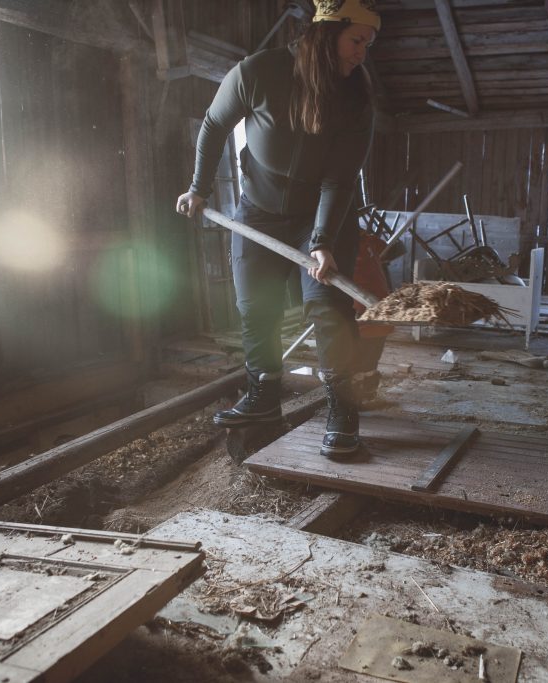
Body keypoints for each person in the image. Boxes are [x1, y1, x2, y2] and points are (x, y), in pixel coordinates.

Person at [176, 0, 380, 459]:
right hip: (259, 210)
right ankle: (264, 397)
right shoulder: (257, 72)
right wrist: (198, 188)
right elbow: (214, 124)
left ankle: (343, 412)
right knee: (255, 305)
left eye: (368, 43)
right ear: (329, 34)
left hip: (322, 214)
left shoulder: (356, 98)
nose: (361, 52)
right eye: (356, 40)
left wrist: (324, 242)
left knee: (326, 307)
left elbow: (340, 178)